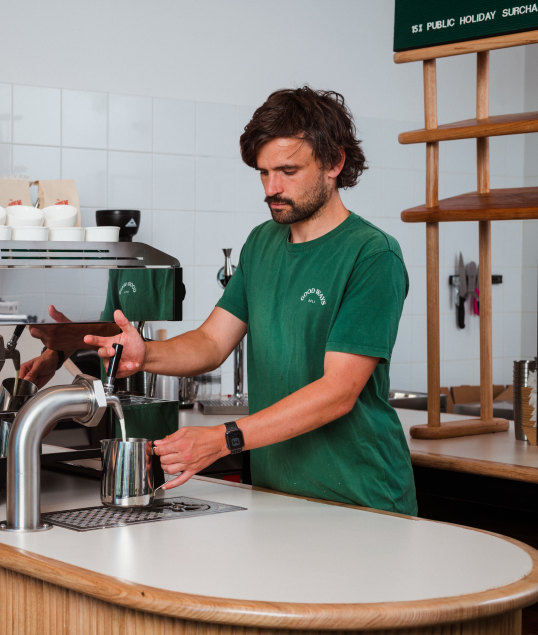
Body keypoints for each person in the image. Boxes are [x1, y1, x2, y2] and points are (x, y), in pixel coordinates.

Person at [84, 86, 417, 515]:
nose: (271, 188)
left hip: (362, 497)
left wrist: (223, 439)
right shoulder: (262, 242)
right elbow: (211, 342)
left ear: (335, 162)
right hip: (277, 495)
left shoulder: (372, 255)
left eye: (288, 171)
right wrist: (146, 353)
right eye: (263, 172)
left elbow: (338, 392)